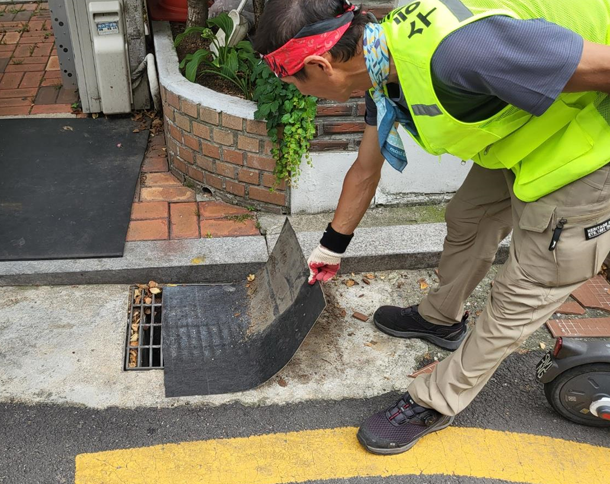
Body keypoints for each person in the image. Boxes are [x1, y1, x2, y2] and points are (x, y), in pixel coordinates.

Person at [253, 0, 610, 454]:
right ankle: (440, 319)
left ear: (321, 65)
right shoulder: (381, 61)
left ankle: (437, 400)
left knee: (523, 292)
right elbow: (365, 169)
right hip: (526, 135)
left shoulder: (462, 54)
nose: (301, 95)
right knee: (469, 218)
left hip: (585, 150)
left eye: (294, 83)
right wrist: (331, 248)